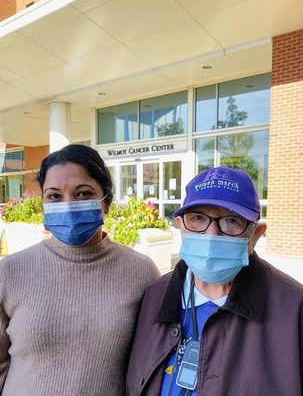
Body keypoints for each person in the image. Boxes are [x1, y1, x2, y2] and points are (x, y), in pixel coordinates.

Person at [126, 166, 303, 395]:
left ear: (255, 234)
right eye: (197, 218)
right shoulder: (155, 295)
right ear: (181, 225)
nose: (211, 235)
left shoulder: (294, 308)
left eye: (231, 221)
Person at [0, 144, 160, 395]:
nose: (68, 205)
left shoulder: (141, 272)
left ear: (106, 202)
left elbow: (149, 362)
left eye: (83, 193)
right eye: (54, 196)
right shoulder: (9, 272)